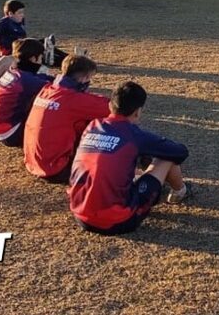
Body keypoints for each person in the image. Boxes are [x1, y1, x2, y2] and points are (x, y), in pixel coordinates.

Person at [69, 81, 193, 235]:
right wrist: (153, 150)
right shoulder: (133, 134)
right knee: (166, 158)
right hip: (118, 221)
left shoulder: (92, 126)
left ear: (110, 105)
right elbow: (180, 152)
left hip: (81, 215)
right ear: (138, 112)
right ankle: (180, 191)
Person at [24, 54, 111, 184]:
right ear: (84, 77)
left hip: (33, 162)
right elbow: (114, 107)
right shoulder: (73, 100)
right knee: (104, 124)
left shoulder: (47, 90)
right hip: (56, 168)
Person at [0, 38, 55, 148]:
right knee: (51, 104)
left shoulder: (14, 72)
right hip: (10, 134)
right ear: (33, 59)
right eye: (40, 57)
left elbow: (39, 78)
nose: (41, 61)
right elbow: (59, 89)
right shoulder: (27, 81)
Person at [0, 0, 69, 67]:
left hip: (23, 47)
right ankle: (64, 62)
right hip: (12, 51)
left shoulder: (20, 21)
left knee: (43, 43)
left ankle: (68, 58)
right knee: (38, 50)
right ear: (10, 14)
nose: (22, 15)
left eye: (23, 12)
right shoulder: (2, 24)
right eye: (19, 13)